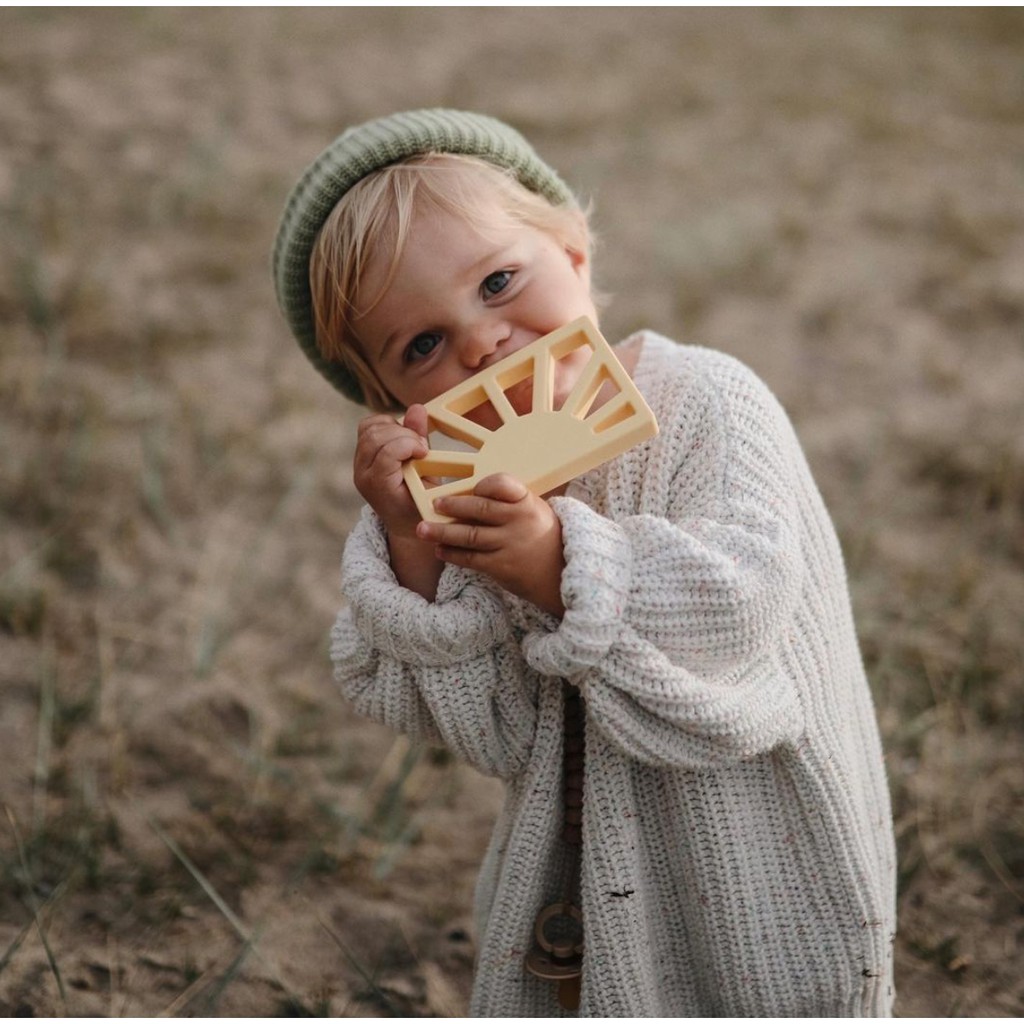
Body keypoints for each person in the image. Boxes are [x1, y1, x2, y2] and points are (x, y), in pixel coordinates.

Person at [272, 108, 897, 1017]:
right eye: (422, 346)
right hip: (575, 887)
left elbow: (745, 606)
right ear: (394, 403)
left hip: (758, 855)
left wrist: (562, 563)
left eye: (496, 281)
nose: (481, 342)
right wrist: (414, 548)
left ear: (572, 255)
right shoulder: (468, 501)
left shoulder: (709, 399)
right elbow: (494, 736)